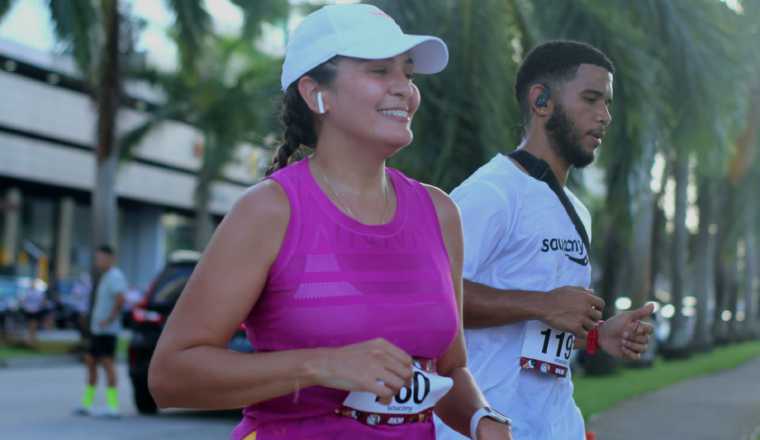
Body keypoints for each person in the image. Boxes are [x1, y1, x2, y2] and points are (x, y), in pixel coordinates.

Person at [149, 4, 511, 440]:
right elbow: (170, 375)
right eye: (380, 71)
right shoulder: (270, 210)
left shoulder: (439, 213)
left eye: (409, 74)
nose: (405, 90)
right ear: (315, 92)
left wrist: (483, 420)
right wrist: (321, 364)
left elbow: (450, 368)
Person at [434, 41, 655, 440]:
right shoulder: (492, 192)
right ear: (541, 101)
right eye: (590, 99)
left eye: (607, 103)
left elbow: (545, 321)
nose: (604, 116)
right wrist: (544, 304)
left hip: (554, 424)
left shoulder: (576, 209)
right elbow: (433, 297)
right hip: (484, 427)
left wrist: (596, 334)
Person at [75, 244, 126, 417]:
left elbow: (120, 300)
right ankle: (86, 403)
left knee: (107, 364)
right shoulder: (105, 276)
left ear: (111, 258)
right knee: (90, 362)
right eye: (97, 258)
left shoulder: (115, 277)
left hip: (107, 331)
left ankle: (113, 406)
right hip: (97, 330)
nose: (99, 261)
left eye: (101, 258)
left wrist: (108, 320)